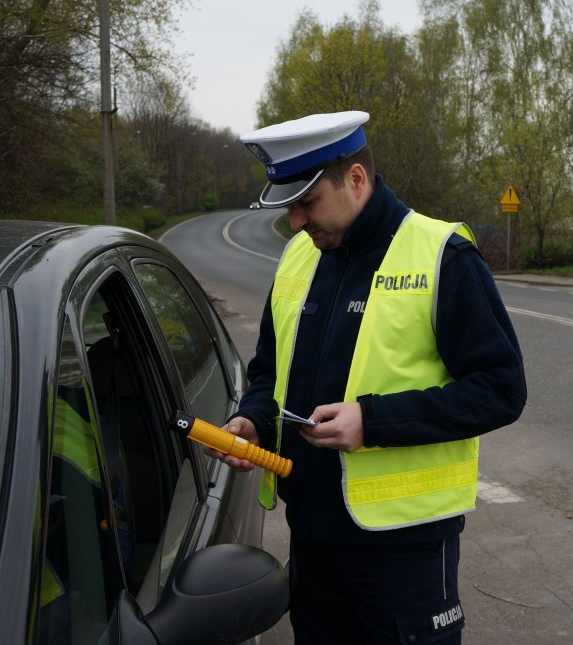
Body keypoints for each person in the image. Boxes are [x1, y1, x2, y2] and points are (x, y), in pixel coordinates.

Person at [207, 110, 526, 643]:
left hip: (405, 552)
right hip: (311, 539)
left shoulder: (443, 256)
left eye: (307, 203)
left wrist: (372, 421)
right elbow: (268, 369)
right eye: (291, 207)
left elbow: (501, 390)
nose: (296, 222)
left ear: (356, 181)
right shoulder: (299, 257)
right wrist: (254, 421)